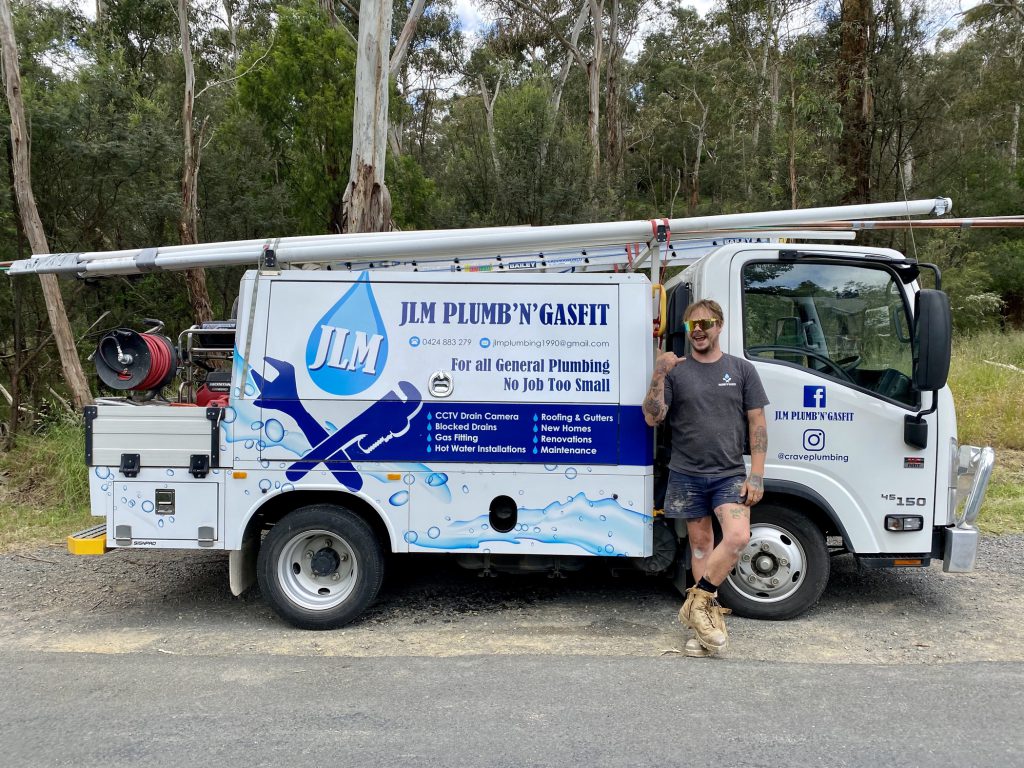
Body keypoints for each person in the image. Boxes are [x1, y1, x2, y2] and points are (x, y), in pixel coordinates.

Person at [643, 299, 768, 656]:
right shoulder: (676, 372)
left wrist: (757, 475)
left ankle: (698, 603)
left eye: (706, 323)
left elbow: (757, 423)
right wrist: (659, 373)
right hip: (686, 474)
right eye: (691, 325)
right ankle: (703, 630)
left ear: (720, 326)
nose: (698, 330)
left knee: (738, 537)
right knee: (700, 546)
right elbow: (652, 417)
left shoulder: (741, 370)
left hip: (729, 474)